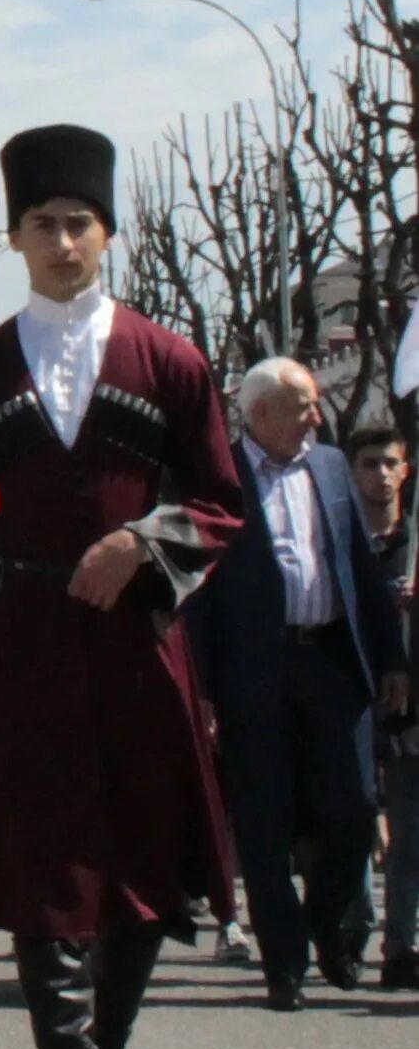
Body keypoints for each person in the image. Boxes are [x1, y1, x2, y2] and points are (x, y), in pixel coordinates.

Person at [0, 123, 246, 1049]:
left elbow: (219, 504)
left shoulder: (168, 361)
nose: (61, 241)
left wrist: (139, 542)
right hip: (23, 648)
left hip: (136, 648)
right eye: (42, 224)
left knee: (142, 864)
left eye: (78, 223)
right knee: (44, 863)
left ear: (105, 232)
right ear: (11, 236)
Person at [191, 360, 406, 1008]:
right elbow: (197, 592)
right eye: (303, 405)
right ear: (261, 414)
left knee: (354, 806)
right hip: (254, 670)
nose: (316, 416)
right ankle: (283, 964)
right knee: (263, 818)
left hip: (331, 663)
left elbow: (360, 566)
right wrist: (201, 686)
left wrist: (392, 658)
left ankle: (327, 927)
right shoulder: (216, 477)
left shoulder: (332, 467)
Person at [344, 424, 419, 990]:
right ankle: (349, 931)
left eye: (390, 463)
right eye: (368, 463)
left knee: (410, 832)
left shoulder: (415, 544)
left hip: (409, 705)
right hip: (348, 697)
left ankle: (402, 947)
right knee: (348, 824)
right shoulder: (338, 542)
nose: (380, 474)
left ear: (405, 470)